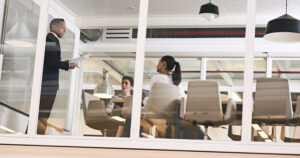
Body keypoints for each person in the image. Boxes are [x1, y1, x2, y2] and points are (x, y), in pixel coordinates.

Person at [38, 18, 77, 134]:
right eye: (62, 27)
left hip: (48, 84)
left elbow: (50, 60)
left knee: (42, 115)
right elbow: (50, 61)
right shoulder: (51, 38)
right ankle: (36, 137)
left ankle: (37, 135)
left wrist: (63, 63)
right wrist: (68, 65)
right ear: (53, 27)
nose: (64, 30)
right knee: (42, 115)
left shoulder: (51, 39)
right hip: (48, 84)